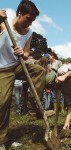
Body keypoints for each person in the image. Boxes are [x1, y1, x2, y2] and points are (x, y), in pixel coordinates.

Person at [0, 1, 45, 149]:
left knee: (39, 71)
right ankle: (1, 140)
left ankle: (34, 105)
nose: (30, 23)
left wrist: (23, 54)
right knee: (3, 103)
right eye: (28, 19)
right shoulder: (3, 24)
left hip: (17, 65)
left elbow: (26, 53)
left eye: (32, 21)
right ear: (19, 13)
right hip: (3, 69)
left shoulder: (29, 33)